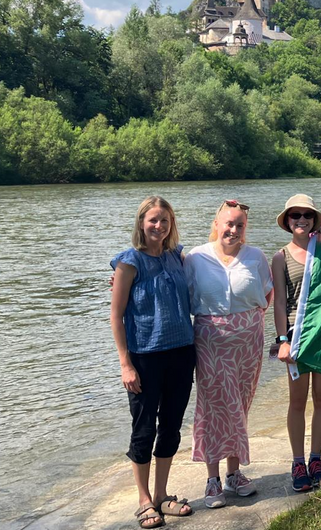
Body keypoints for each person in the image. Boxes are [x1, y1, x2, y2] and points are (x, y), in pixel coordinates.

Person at [110, 196, 195, 529]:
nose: (158, 226)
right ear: (141, 223)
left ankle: (161, 495)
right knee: (144, 429)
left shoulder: (177, 257)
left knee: (171, 428)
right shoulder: (129, 262)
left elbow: (215, 257)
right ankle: (144, 500)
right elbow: (116, 317)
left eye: (164, 220)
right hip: (144, 357)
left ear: (171, 223)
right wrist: (125, 363)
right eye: (153, 220)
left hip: (182, 353)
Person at [185, 200, 274, 508]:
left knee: (240, 404)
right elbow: (178, 292)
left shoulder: (256, 256)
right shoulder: (195, 257)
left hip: (249, 341)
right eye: (228, 223)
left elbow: (267, 293)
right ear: (216, 224)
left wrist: (249, 319)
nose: (233, 230)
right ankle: (213, 479)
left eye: (239, 225)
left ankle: (234, 474)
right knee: (213, 407)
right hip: (211, 340)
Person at [272, 194, 321, 492]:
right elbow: (280, 304)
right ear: (287, 221)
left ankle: (316, 459)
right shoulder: (280, 257)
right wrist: (282, 340)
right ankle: (298, 462)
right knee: (298, 401)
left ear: (313, 220)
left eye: (307, 215)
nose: (301, 219)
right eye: (295, 215)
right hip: (296, 337)